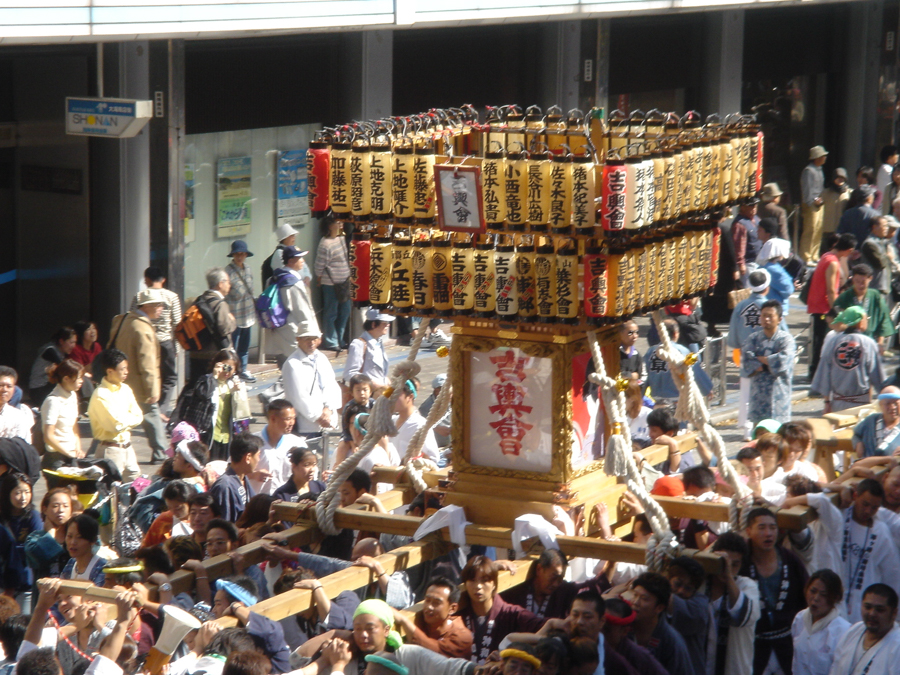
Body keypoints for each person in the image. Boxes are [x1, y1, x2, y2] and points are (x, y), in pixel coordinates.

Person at [783, 478, 900, 623]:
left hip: (862, 607)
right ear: (855, 496)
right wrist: (786, 504)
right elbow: (820, 498)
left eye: (874, 507)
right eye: (865, 504)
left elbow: (892, 573)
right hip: (829, 601)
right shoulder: (840, 517)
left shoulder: (881, 532)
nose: (868, 511)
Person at [741, 507, 809, 675]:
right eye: (762, 527)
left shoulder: (789, 559)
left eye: (773, 527)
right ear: (748, 531)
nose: (769, 533)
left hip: (787, 644)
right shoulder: (742, 562)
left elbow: (806, 594)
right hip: (753, 645)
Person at [108, 287, 168, 464]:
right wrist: (152, 390)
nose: (161, 309)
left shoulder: (125, 320)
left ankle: (94, 452)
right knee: (151, 415)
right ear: (147, 306)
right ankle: (161, 452)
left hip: (122, 380)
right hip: (138, 383)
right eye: (158, 305)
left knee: (114, 417)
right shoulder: (143, 328)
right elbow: (147, 362)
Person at [456, 555, 542, 663]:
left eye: (484, 580)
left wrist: (552, 623)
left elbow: (540, 626)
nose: (478, 586)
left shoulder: (510, 614)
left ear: (494, 584)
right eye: (472, 580)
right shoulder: (458, 616)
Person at [171, 349, 249, 461]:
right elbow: (204, 394)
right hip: (209, 435)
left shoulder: (233, 384)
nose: (227, 372)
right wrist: (213, 377)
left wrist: (238, 392)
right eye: (224, 367)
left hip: (226, 436)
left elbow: (242, 412)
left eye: (231, 368)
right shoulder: (206, 380)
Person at [811, 306, 885, 412]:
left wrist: (827, 402)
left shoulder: (833, 341)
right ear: (860, 322)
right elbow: (878, 377)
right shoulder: (868, 343)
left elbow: (824, 373)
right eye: (866, 319)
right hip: (861, 405)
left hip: (837, 403)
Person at [728, 269, 773, 440]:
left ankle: (747, 429)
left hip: (746, 355)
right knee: (764, 394)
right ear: (767, 287)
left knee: (746, 391)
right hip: (767, 357)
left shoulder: (740, 306)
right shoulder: (770, 307)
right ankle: (763, 427)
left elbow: (732, 336)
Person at [88, 348, 144, 482]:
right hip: (110, 449)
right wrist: (128, 420)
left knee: (135, 484)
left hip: (128, 447)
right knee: (112, 490)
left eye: (127, 368)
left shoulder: (125, 389)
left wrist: (123, 421)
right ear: (110, 371)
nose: (126, 372)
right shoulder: (100, 395)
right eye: (123, 369)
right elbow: (115, 426)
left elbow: (139, 416)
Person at [130, 266, 183, 409]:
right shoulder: (172, 297)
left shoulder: (140, 296)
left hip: (145, 340)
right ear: (164, 280)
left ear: (146, 279)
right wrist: (176, 347)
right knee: (170, 378)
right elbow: (177, 325)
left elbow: (132, 319)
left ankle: (147, 406)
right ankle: (162, 409)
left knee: (148, 375)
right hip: (165, 341)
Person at [806, 233, 858, 379]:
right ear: (848, 250)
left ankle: (815, 371)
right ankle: (816, 373)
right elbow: (830, 290)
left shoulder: (826, 256)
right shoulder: (833, 262)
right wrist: (836, 312)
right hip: (824, 307)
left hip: (817, 305)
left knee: (819, 340)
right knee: (823, 342)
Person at [709, 532, 761, 675]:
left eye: (735, 564)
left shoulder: (747, 586)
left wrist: (728, 577)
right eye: (724, 563)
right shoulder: (701, 586)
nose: (729, 569)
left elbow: (742, 616)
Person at [281, 321, 341, 440]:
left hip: (326, 421)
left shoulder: (321, 358)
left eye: (314, 338)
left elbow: (331, 385)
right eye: (307, 338)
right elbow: (298, 397)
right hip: (306, 425)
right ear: (298, 339)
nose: (311, 342)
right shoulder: (292, 364)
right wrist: (319, 417)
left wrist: (328, 409)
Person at [387, 576, 472, 659]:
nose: (429, 607)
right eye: (427, 600)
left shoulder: (462, 636)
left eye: (436, 602)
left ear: (452, 608)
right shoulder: (421, 620)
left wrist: (404, 620)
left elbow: (432, 653)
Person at [742, 300, 796, 428]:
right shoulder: (753, 339)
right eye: (763, 315)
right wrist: (770, 362)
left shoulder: (786, 340)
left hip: (779, 398)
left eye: (770, 316)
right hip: (758, 397)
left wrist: (762, 360)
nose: (766, 319)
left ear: (779, 319)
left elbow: (784, 360)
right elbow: (747, 360)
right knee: (759, 437)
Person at [627, 572, 692, 675]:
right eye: (635, 595)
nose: (635, 602)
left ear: (659, 608)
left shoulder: (672, 641)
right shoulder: (622, 628)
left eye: (644, 598)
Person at [827, 583, 900, 675]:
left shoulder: (897, 646)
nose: (872, 614)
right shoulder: (853, 631)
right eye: (868, 607)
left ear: (894, 613)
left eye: (879, 610)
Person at [791, 569, 851, 675]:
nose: (815, 598)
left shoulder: (843, 631)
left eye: (823, 595)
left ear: (835, 598)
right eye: (813, 591)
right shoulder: (800, 618)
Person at [644, 320, 713, 409]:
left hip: (656, 401)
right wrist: (706, 389)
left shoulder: (651, 351)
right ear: (676, 333)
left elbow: (645, 376)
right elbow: (694, 371)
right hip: (676, 401)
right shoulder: (682, 351)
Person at [269, 246, 318, 366]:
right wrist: (314, 331)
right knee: (297, 370)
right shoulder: (294, 283)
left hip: (277, 330)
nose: (302, 260)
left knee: (284, 368)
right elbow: (302, 312)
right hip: (294, 333)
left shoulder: (273, 278)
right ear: (291, 261)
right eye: (299, 257)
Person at [187, 268, 237, 385]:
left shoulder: (198, 300)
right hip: (215, 356)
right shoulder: (220, 304)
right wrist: (232, 321)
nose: (229, 285)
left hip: (196, 353)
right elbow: (223, 329)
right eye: (228, 282)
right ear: (221, 284)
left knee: (198, 386)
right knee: (216, 387)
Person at [0, 472, 42, 610]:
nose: (23, 497)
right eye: (18, 492)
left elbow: (37, 545)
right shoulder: (2, 518)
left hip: (26, 581)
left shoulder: (33, 517)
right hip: (3, 581)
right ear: (7, 493)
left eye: (27, 492)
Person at [39, 359, 84, 482]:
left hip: (71, 454)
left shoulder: (72, 395)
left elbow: (74, 427)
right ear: (66, 379)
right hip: (56, 458)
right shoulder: (53, 401)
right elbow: (48, 436)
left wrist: (78, 448)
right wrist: (67, 452)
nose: (81, 381)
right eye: (79, 377)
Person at [833, 264, 895, 351]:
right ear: (852, 278)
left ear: (870, 278)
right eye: (857, 281)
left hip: (870, 341)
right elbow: (833, 318)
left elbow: (884, 320)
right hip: (848, 343)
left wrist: (880, 343)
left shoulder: (876, 296)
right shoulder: (845, 297)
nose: (860, 285)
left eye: (863, 282)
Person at [664, 556, 709, 674]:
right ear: (668, 579)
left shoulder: (699, 604)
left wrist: (658, 589)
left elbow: (693, 618)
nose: (681, 591)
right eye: (677, 584)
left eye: (688, 588)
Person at [252, 399, 306, 495]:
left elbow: (309, 473)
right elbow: (233, 472)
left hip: (287, 503)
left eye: (294, 418)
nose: (292, 423)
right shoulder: (252, 442)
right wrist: (253, 475)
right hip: (259, 503)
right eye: (288, 419)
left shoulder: (298, 443)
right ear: (273, 419)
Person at [315, 215, 352, 352]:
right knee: (331, 313)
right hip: (330, 283)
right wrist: (318, 277)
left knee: (345, 311)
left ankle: (340, 339)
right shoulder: (325, 243)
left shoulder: (342, 239)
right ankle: (331, 341)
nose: (341, 223)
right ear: (330, 226)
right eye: (337, 222)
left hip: (345, 282)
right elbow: (319, 265)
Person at [209, 432, 262, 522]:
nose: (259, 460)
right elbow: (225, 524)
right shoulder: (225, 486)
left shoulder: (243, 478)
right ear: (248, 457)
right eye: (258, 455)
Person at [225, 240, 257, 383]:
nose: (240, 257)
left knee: (244, 347)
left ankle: (243, 369)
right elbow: (229, 293)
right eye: (237, 254)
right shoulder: (227, 272)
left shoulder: (249, 269)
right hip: (235, 315)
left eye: (242, 254)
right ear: (233, 255)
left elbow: (251, 289)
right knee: (233, 347)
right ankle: (232, 373)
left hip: (248, 314)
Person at [344, 309, 395, 393]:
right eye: (384, 323)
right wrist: (370, 383)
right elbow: (349, 374)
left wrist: (386, 380)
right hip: (367, 395)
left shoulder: (378, 342)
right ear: (374, 324)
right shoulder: (359, 344)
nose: (388, 325)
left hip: (382, 392)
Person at [392, 378, 440, 465]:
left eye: (396, 395)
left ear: (410, 397)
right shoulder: (391, 422)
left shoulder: (420, 425)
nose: (392, 399)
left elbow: (433, 459)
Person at [28, 326, 77, 406]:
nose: (73, 346)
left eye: (75, 342)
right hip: (39, 389)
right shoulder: (50, 350)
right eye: (71, 342)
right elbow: (65, 367)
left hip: (48, 387)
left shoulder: (62, 352)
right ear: (61, 341)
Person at [141, 479, 194, 548]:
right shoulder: (163, 520)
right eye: (170, 508)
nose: (173, 512)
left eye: (178, 508)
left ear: (189, 503)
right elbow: (146, 547)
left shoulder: (199, 519)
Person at [851, 386, 900, 458]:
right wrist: (858, 444)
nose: (892, 407)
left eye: (896, 403)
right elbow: (856, 435)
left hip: (892, 467)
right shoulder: (871, 420)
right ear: (880, 405)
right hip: (867, 465)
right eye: (887, 404)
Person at [60, 513, 106, 585]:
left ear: (92, 541)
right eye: (69, 536)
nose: (73, 542)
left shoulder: (101, 566)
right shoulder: (71, 563)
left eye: (79, 537)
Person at [800, 145, 828, 263]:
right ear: (817, 157)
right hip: (811, 203)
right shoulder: (808, 171)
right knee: (810, 230)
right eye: (823, 156)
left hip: (819, 202)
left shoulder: (819, 169)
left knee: (818, 229)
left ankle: (814, 254)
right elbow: (807, 189)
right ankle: (806, 256)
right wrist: (811, 201)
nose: (825, 157)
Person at [859, 215, 898, 297]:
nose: (886, 228)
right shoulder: (869, 244)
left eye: (887, 226)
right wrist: (888, 257)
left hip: (883, 286)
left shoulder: (883, 242)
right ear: (874, 227)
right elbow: (880, 263)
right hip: (874, 287)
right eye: (884, 226)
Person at [732, 198, 762, 285]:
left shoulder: (756, 219)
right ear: (743, 207)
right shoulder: (740, 224)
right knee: (750, 287)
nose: (754, 208)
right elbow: (738, 246)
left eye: (755, 206)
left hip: (758, 260)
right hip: (749, 263)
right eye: (751, 206)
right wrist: (741, 264)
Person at [0, 367, 34, 443]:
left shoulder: (18, 416)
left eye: (9, 386)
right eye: (1, 385)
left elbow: (23, 446)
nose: (4, 389)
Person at [262, 222, 299, 288]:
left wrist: (307, 277)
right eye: (291, 235)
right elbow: (285, 274)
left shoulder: (294, 250)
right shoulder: (279, 253)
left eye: (294, 235)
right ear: (284, 239)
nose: (294, 238)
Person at [821, 168, 851, 242]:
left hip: (842, 229)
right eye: (838, 177)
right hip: (827, 229)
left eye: (842, 178)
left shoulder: (849, 193)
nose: (840, 179)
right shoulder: (825, 192)